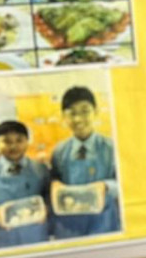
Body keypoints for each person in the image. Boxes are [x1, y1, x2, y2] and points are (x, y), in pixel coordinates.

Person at [47, 84, 121, 238]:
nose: (78, 119)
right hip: (70, 225)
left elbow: (126, 183)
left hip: (104, 222)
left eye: (85, 111)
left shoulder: (112, 148)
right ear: (64, 117)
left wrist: (106, 186)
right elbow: (55, 180)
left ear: (96, 112)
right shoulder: (59, 151)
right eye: (72, 113)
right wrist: (55, 184)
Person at [0, 119, 50, 250]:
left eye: (19, 140)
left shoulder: (41, 170)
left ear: (27, 141)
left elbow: (50, 198)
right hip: (0, 240)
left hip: (35, 237)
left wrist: (47, 208)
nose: (13, 146)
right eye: (6, 141)